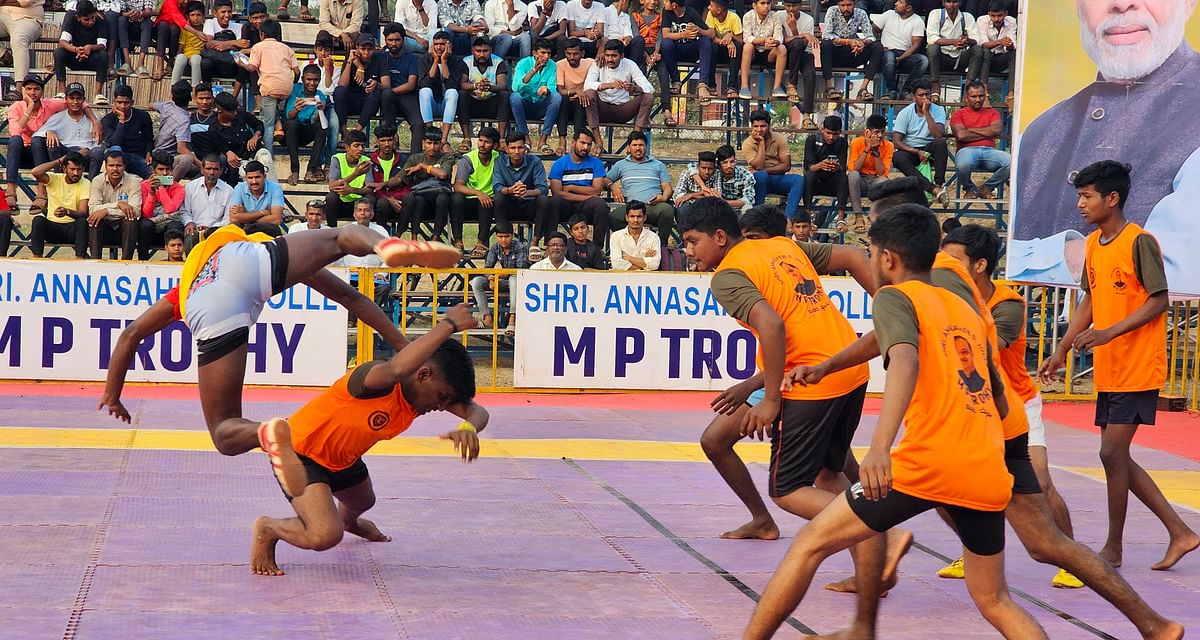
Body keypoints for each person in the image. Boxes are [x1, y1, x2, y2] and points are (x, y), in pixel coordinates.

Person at [742, 203, 1046, 640]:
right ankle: (861, 629)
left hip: (927, 462)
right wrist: (827, 367)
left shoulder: (894, 296)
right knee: (994, 599)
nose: (869, 262)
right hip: (985, 465)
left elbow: (902, 357)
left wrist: (880, 447)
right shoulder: (962, 306)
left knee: (808, 546)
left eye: (870, 253)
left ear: (887, 258)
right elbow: (997, 395)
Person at [98, 223, 461, 498]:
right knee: (340, 238)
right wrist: (401, 344)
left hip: (209, 302)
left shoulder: (186, 288)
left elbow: (130, 335)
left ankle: (265, 432)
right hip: (247, 262)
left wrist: (113, 394)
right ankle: (384, 244)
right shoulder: (258, 250)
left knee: (226, 432)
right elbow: (352, 299)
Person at [679, 197, 896, 627]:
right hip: (849, 370)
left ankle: (874, 531)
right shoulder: (782, 246)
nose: (688, 251)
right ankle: (870, 558)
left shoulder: (727, 275)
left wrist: (773, 399)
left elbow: (773, 325)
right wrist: (893, 309)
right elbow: (852, 255)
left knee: (787, 488)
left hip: (812, 381)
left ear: (720, 237)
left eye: (692, 241)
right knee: (829, 474)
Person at [1038, 161, 1199, 573]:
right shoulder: (1093, 243)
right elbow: (1089, 301)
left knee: (1112, 452)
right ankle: (1179, 531)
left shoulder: (1139, 241)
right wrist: (1062, 348)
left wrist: (1110, 333)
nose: (1081, 204)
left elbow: (1159, 299)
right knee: (1115, 457)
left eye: (1087, 196)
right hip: (1111, 368)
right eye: (1080, 196)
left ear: (1112, 199)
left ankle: (1114, 547)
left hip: (1137, 365)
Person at [249, 307, 487, 576]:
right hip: (301, 455)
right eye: (442, 397)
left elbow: (478, 412)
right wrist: (447, 325)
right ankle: (269, 528)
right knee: (324, 535)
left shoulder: (423, 396)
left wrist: (468, 427)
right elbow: (395, 369)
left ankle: (349, 521)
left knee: (364, 500)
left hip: (343, 459)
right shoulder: (378, 380)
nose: (442, 406)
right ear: (422, 375)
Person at [1011, 0, 1200, 293]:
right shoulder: (1038, 132)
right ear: (1078, 7)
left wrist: (1044, 257)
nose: (1122, 4)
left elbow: (1167, 270)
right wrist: (1064, 256)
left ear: (1188, 4)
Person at [238, 19, 297, 161]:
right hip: (286, 89)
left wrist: (240, 63)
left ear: (262, 34)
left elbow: (252, 67)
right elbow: (297, 71)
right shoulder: (287, 49)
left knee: (268, 126)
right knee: (277, 109)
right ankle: (279, 123)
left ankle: (269, 158)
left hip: (269, 89)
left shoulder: (258, 47)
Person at [606, 131, 675, 246]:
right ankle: (630, 245)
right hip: (632, 207)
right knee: (613, 217)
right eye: (634, 145)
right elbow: (605, 179)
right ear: (629, 147)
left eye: (641, 145)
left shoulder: (658, 165)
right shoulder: (621, 165)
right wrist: (613, 187)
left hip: (653, 206)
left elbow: (667, 187)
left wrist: (663, 198)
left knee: (667, 210)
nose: (638, 148)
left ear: (646, 147)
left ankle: (660, 246)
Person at [493, 132, 553, 255]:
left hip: (529, 205)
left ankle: (534, 243)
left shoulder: (534, 161)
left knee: (544, 200)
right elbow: (497, 187)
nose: (517, 151)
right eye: (513, 148)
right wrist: (512, 190)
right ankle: (503, 242)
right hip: (510, 205)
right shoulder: (499, 161)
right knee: (498, 197)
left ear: (525, 148)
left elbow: (543, 188)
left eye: (520, 147)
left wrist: (526, 192)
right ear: (507, 149)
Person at [892, 78, 949, 203]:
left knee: (940, 143)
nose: (924, 98)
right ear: (914, 97)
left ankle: (939, 184)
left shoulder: (938, 110)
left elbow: (938, 134)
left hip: (930, 149)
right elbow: (897, 141)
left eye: (927, 94)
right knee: (897, 157)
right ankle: (932, 188)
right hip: (912, 151)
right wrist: (916, 152)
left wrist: (927, 113)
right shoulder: (905, 113)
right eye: (921, 95)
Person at [548, 128, 609, 244]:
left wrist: (571, 188)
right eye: (582, 143)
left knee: (601, 205)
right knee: (553, 201)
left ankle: (597, 248)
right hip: (566, 206)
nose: (586, 147)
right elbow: (557, 193)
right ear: (573, 142)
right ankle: (550, 243)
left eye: (589, 144)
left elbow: (596, 191)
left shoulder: (596, 163)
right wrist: (587, 196)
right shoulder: (560, 164)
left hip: (586, 208)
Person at [395, 130, 458, 242]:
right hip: (422, 195)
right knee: (417, 199)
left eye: (436, 143)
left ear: (441, 145)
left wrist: (423, 166)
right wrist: (384, 184)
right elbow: (400, 177)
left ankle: (435, 237)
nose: (432, 147)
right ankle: (413, 238)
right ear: (423, 143)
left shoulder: (447, 157)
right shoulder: (415, 158)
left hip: (440, 195)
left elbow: (443, 174)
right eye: (429, 143)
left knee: (442, 198)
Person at [951, 80, 1008, 199]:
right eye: (973, 96)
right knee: (963, 164)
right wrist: (987, 133)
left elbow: (996, 130)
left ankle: (986, 188)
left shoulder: (992, 113)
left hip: (989, 152)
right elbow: (961, 135)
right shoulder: (958, 114)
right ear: (967, 97)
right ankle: (970, 188)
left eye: (981, 96)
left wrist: (971, 129)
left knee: (1012, 163)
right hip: (966, 151)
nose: (978, 99)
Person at [28, 152, 91, 258]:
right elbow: (35, 172)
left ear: (83, 169)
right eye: (72, 169)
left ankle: (80, 259)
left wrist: (67, 212)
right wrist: (59, 160)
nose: (76, 173)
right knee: (38, 220)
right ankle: (37, 258)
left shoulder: (86, 183)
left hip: (72, 229)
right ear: (64, 168)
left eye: (79, 169)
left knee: (82, 222)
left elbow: (83, 212)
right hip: (53, 228)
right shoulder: (55, 178)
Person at [469, 221, 528, 333]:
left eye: (507, 236)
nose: (504, 240)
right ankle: (487, 317)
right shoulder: (495, 247)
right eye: (500, 237)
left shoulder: (520, 247)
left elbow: (521, 270)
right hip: (501, 281)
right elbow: (488, 268)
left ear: (512, 235)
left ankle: (512, 318)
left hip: (517, 283)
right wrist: (491, 277)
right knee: (477, 281)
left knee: (514, 279)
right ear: (496, 236)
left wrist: (499, 275)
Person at [377, 24, 427, 155]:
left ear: (403, 40)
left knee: (418, 125)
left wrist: (390, 91)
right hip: (387, 100)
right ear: (385, 40)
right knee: (387, 96)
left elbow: (411, 84)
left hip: (407, 97)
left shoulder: (412, 58)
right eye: (390, 40)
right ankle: (392, 137)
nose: (393, 43)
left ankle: (414, 160)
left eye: (397, 40)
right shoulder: (381, 57)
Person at [204, 92, 273, 185]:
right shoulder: (213, 128)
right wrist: (228, 152)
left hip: (254, 150)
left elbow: (259, 124)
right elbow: (222, 148)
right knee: (248, 174)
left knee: (266, 157)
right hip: (239, 159)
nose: (235, 113)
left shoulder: (241, 113)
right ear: (220, 111)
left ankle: (273, 191)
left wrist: (255, 136)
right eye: (231, 111)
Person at [744, 109, 801, 219]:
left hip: (777, 178)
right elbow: (758, 166)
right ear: (752, 127)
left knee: (798, 180)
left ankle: (788, 219)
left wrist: (765, 170)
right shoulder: (748, 143)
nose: (759, 130)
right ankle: (759, 218)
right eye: (755, 126)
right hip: (758, 181)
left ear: (769, 125)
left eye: (763, 126)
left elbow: (786, 166)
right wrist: (761, 143)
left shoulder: (779, 138)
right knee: (761, 176)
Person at [820, 0, 882, 101]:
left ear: (854, 4)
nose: (845, 8)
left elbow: (870, 36)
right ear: (838, 5)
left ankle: (863, 89)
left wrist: (863, 43)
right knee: (825, 44)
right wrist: (848, 42)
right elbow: (826, 35)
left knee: (877, 46)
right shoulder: (832, 11)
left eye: (849, 5)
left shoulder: (861, 13)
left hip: (854, 53)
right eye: (842, 5)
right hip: (835, 55)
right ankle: (829, 88)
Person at [455, 127, 503, 255]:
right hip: (469, 200)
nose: (481, 144)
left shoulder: (499, 158)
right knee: (456, 198)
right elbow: (458, 186)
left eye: (486, 142)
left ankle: (481, 244)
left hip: (488, 202)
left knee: (487, 201)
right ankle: (458, 242)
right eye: (480, 140)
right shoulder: (469, 159)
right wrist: (478, 193)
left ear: (495, 145)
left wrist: (483, 195)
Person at [32, 82, 103, 169]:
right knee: (52, 143)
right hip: (65, 154)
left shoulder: (94, 118)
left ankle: (92, 182)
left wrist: (88, 149)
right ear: (65, 99)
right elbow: (36, 135)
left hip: (85, 153)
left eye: (78, 98)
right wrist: (48, 132)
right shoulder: (57, 117)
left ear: (84, 99)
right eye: (71, 98)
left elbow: (98, 142)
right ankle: (57, 176)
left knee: (98, 152)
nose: (75, 102)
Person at [658, 0, 715, 109]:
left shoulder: (691, 12)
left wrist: (698, 29)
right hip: (676, 51)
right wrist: (683, 34)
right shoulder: (666, 12)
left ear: (674, 5)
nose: (664, 3)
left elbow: (711, 34)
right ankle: (676, 81)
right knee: (666, 43)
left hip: (691, 50)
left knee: (706, 42)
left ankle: (703, 83)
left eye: (666, 1)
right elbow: (665, 34)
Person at [87, 150, 141, 260]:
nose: (115, 169)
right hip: (105, 225)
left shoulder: (134, 181)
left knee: (131, 220)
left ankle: (126, 262)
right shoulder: (97, 180)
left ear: (124, 166)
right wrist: (118, 204)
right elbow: (93, 209)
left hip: (123, 227)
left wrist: (107, 211)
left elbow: (135, 211)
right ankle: (95, 262)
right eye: (111, 165)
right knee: (94, 219)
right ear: (105, 167)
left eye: (118, 165)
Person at [510, 38, 561, 154]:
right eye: (543, 53)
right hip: (524, 105)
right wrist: (535, 69)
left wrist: (546, 90)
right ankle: (525, 138)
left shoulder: (552, 65)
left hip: (541, 105)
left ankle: (543, 139)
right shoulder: (523, 63)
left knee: (556, 97)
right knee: (515, 97)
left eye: (548, 53)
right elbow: (516, 87)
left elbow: (552, 86)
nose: (546, 56)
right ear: (534, 53)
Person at [457, 36, 511, 144]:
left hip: (491, 104)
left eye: (485, 51)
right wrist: (476, 85)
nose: (481, 54)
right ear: (473, 50)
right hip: (473, 104)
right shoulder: (466, 61)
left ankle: (501, 139)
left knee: (504, 94)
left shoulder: (498, 62)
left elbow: (502, 84)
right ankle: (466, 138)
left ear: (491, 50)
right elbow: (462, 84)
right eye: (478, 51)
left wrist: (489, 87)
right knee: (461, 94)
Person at [55, 0, 110, 104]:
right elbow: (62, 42)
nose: (91, 21)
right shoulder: (71, 19)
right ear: (78, 18)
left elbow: (102, 45)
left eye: (92, 18)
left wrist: (90, 48)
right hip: (75, 57)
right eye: (86, 19)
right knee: (59, 52)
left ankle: (98, 94)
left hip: (92, 58)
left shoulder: (100, 20)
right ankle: (62, 92)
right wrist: (77, 50)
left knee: (104, 55)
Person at [284, 65, 331, 185]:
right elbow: (289, 115)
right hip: (290, 132)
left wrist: (320, 110)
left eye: (316, 80)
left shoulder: (320, 95)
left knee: (323, 126)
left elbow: (314, 120)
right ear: (303, 79)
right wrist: (297, 109)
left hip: (306, 131)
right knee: (292, 123)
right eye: (309, 79)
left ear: (319, 80)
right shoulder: (295, 89)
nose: (312, 83)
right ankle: (295, 171)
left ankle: (311, 170)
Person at [334, 34, 389, 137]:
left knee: (375, 94)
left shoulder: (380, 58)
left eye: (370, 49)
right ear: (357, 48)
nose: (366, 53)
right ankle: (344, 133)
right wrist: (354, 63)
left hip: (367, 103)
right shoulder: (350, 57)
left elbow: (387, 85)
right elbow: (342, 84)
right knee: (339, 91)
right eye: (363, 49)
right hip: (349, 101)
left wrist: (377, 84)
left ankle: (356, 133)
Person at [845, 114, 894, 231]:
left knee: (884, 181)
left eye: (883, 132)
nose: (880, 135)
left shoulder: (888, 146)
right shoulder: (857, 143)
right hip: (859, 181)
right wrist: (867, 150)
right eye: (877, 132)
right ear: (867, 132)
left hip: (875, 180)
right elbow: (854, 168)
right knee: (853, 175)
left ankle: (876, 218)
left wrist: (876, 151)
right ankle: (858, 216)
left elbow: (882, 172)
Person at [419, 31, 467, 147]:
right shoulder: (424, 59)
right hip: (431, 105)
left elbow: (452, 85)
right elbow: (424, 83)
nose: (439, 47)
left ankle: (444, 139)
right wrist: (435, 61)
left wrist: (444, 61)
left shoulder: (457, 61)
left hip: (447, 106)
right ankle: (430, 135)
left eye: (442, 44)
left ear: (449, 45)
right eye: (436, 44)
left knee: (453, 93)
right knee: (424, 91)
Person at [925, 0, 980, 99]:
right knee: (932, 48)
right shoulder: (936, 14)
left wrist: (967, 40)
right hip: (941, 58)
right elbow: (931, 38)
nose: (951, 5)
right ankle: (935, 87)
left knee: (977, 50)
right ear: (943, 3)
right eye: (948, 1)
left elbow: (977, 39)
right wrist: (953, 41)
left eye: (955, 2)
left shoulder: (967, 17)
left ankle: (968, 90)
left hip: (960, 58)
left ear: (960, 3)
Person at [873, 0, 928, 100]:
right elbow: (874, 28)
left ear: (908, 8)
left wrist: (901, 58)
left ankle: (906, 91)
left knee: (923, 60)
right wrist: (878, 43)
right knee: (889, 56)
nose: (896, 3)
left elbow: (915, 46)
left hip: (906, 55)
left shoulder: (917, 21)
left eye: (900, 2)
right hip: (887, 52)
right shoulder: (889, 14)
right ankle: (892, 91)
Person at [802, 115, 849, 229]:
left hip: (832, 183)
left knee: (843, 177)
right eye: (828, 133)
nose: (831, 137)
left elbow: (843, 167)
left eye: (835, 134)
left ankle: (840, 219)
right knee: (809, 176)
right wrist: (820, 165)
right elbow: (808, 166)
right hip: (816, 182)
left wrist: (836, 167)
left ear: (840, 132)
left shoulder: (842, 143)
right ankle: (807, 216)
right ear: (822, 130)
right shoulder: (812, 140)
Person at [97, 85, 153, 179]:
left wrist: (148, 153)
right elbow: (114, 143)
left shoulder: (143, 116)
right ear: (114, 102)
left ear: (132, 102)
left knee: (154, 176)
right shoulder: (108, 120)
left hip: (138, 156)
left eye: (126, 103)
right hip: (118, 158)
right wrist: (121, 121)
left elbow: (149, 139)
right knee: (115, 149)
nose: (122, 106)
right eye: (119, 102)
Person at [778, 0, 819, 127]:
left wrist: (794, 29)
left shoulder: (808, 19)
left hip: (803, 53)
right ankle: (792, 85)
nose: (791, 9)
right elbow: (782, 40)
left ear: (800, 6)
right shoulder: (778, 16)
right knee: (797, 43)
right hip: (785, 53)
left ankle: (806, 116)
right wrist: (802, 35)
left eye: (794, 6)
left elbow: (803, 45)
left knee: (810, 74)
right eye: (788, 6)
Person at [180, 154, 233, 252]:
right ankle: (192, 266)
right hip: (195, 228)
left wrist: (211, 229)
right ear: (202, 170)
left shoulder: (228, 190)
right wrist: (189, 222)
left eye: (215, 169)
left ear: (221, 171)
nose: (212, 172)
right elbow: (184, 210)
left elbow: (228, 218)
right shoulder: (190, 187)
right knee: (191, 236)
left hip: (216, 230)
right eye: (208, 169)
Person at [138, 153, 186, 260]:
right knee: (144, 224)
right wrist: (151, 194)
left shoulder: (179, 188)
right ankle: (142, 261)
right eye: (160, 169)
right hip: (150, 229)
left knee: (175, 225)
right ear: (154, 171)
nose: (164, 173)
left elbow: (170, 209)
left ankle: (174, 260)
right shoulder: (144, 185)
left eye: (168, 169)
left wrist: (161, 188)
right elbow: (146, 214)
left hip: (168, 226)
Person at [150, 81, 201, 182]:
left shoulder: (167, 106)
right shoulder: (184, 120)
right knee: (188, 160)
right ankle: (167, 184)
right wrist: (201, 165)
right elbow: (181, 148)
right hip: (166, 158)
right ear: (191, 97)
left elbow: (151, 105)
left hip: (156, 152)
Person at [325, 130, 374, 227]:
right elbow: (332, 186)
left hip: (359, 204)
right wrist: (355, 174)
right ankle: (332, 231)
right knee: (331, 197)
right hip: (341, 204)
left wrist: (351, 190)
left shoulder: (366, 161)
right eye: (356, 146)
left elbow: (369, 189)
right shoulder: (337, 159)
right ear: (347, 147)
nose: (360, 149)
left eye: (362, 146)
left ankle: (365, 231)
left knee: (371, 198)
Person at [738, 0, 786, 99]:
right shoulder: (748, 16)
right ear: (754, 5)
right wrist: (764, 40)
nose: (766, 6)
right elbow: (746, 38)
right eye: (763, 3)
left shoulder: (775, 16)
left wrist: (774, 41)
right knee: (747, 46)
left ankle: (777, 87)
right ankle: (744, 87)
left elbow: (779, 37)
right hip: (752, 53)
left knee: (782, 48)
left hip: (769, 52)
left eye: (768, 3)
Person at [554, 38, 594, 155]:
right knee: (563, 99)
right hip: (565, 104)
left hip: (582, 104)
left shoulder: (590, 63)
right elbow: (560, 90)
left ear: (582, 53)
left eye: (575, 54)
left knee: (580, 100)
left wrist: (579, 94)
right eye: (568, 53)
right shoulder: (560, 65)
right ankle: (562, 141)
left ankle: (577, 141)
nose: (572, 57)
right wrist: (576, 91)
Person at [0, 0, 44, 99]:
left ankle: (20, 88)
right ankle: (3, 55)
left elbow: (24, 2)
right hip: (3, 15)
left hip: (28, 18)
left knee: (19, 39)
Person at [229, 161, 286, 237]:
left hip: (265, 229)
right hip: (245, 229)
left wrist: (245, 217)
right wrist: (262, 212)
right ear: (245, 178)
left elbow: (276, 219)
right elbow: (234, 218)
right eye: (250, 178)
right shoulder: (239, 188)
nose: (254, 181)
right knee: (233, 227)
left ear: (264, 176)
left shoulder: (275, 188)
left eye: (257, 177)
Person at [974, 0, 1015, 97]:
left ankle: (1011, 94)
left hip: (1001, 59)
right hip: (984, 60)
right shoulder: (982, 20)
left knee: (1014, 53)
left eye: (1000, 16)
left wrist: (1009, 44)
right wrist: (1000, 42)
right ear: (989, 14)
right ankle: (984, 91)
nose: (996, 19)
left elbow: (1013, 44)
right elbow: (983, 44)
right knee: (985, 51)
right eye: (993, 16)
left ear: (1005, 14)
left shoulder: (1011, 21)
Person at [705, 0, 742, 99]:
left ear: (718, 10)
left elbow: (741, 40)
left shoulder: (734, 18)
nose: (708, 7)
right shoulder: (710, 15)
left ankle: (732, 87)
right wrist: (726, 42)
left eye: (711, 6)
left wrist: (731, 36)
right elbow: (712, 37)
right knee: (711, 46)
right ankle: (711, 85)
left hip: (730, 53)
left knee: (738, 47)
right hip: (717, 51)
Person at [608, 201, 660, 271]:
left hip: (646, 280)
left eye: (639, 216)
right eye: (632, 216)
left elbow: (654, 264)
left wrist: (628, 258)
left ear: (645, 218)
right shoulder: (616, 236)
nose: (635, 220)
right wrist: (644, 264)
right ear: (626, 218)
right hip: (621, 279)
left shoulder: (653, 237)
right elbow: (617, 265)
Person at [169, 1, 204, 86]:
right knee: (180, 57)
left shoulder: (205, 29)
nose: (195, 18)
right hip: (185, 56)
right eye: (192, 15)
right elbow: (181, 46)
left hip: (197, 58)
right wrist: (176, 58)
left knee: (196, 58)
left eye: (198, 15)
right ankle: (174, 87)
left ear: (203, 16)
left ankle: (195, 88)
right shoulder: (185, 30)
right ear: (187, 16)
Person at [715, 144, 756, 214]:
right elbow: (692, 166)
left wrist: (725, 202)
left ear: (735, 161)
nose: (729, 166)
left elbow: (749, 199)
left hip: (739, 207)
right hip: (720, 209)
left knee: (748, 209)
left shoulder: (745, 175)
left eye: (732, 161)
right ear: (719, 164)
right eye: (725, 162)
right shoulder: (715, 172)